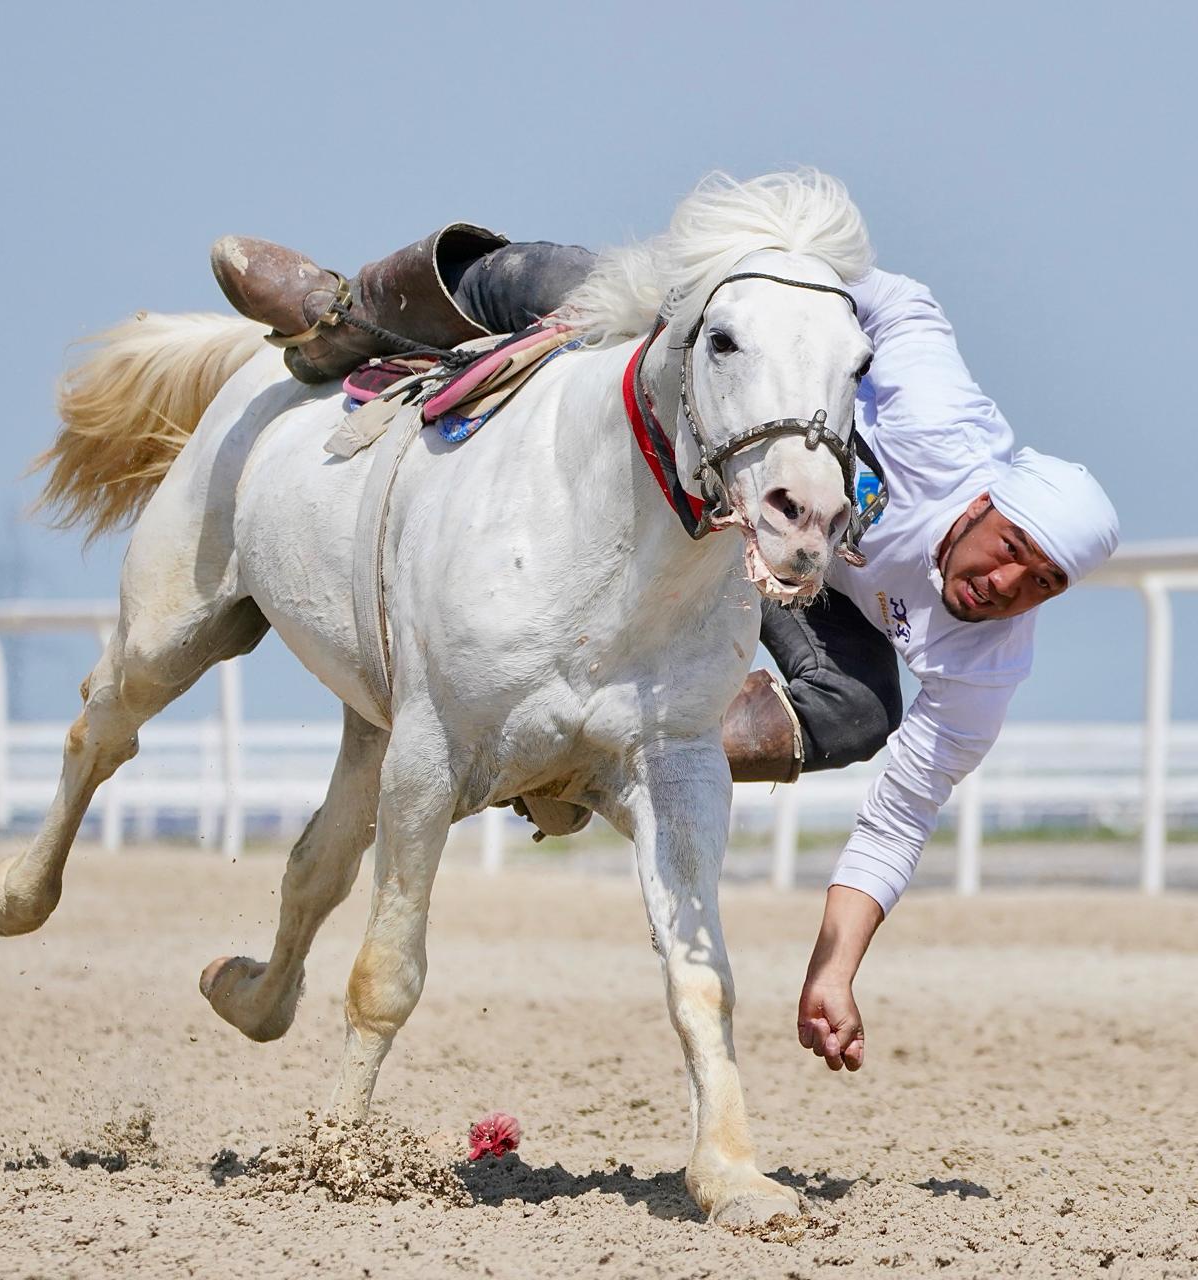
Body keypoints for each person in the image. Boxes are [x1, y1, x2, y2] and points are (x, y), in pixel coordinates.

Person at [210, 228, 1119, 1074]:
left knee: (865, 709)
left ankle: (587, 754)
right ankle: (349, 311)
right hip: (734, 462)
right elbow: (900, 299)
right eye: (1011, 554)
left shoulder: (987, 661)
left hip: (793, 575)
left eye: (1039, 585)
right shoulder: (939, 419)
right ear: (985, 501)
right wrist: (763, 280)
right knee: (585, 291)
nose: (1005, 589)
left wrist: (834, 971)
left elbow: (899, 820)